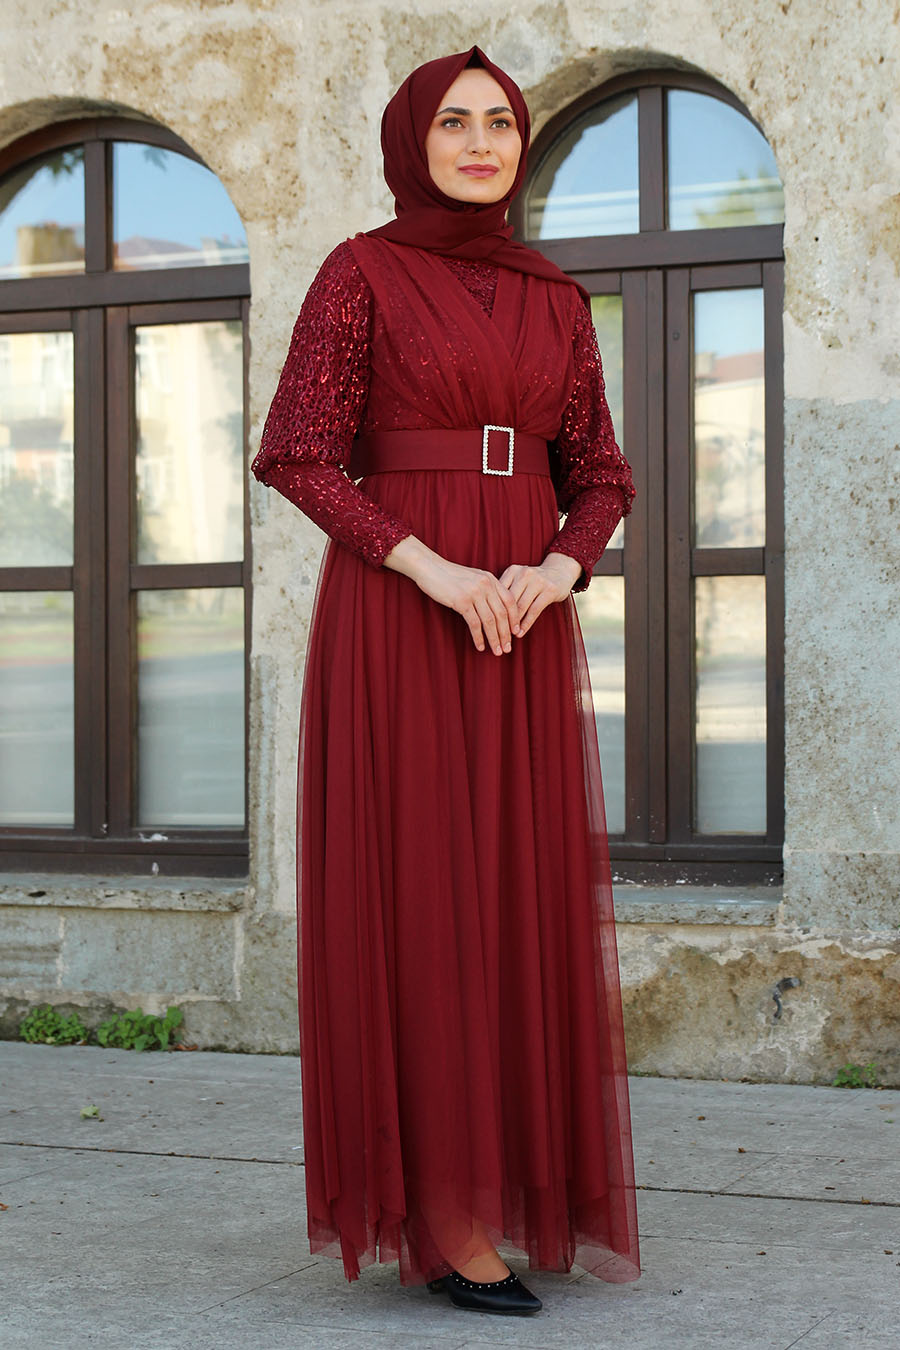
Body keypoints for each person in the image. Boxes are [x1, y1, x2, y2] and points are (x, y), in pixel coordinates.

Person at [252, 45, 641, 1317]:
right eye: (455, 123)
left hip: (519, 624)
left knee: (514, 894)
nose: (481, 142)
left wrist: (559, 570)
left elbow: (602, 475)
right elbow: (298, 453)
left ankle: (511, 1183)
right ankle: (445, 1217)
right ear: (412, 142)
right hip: (405, 615)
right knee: (423, 893)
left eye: (502, 123)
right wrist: (429, 567)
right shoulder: (359, 271)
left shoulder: (555, 298)